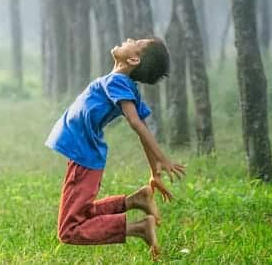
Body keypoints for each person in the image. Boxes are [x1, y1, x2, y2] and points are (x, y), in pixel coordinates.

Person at [45, 37, 185, 259]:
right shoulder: (122, 83)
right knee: (81, 213)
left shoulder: (118, 81)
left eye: (136, 42)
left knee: (69, 230)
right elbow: (142, 125)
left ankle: (138, 228)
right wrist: (154, 171)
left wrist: (162, 158)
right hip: (84, 155)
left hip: (84, 157)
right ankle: (134, 201)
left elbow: (137, 123)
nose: (129, 39)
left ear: (133, 58)